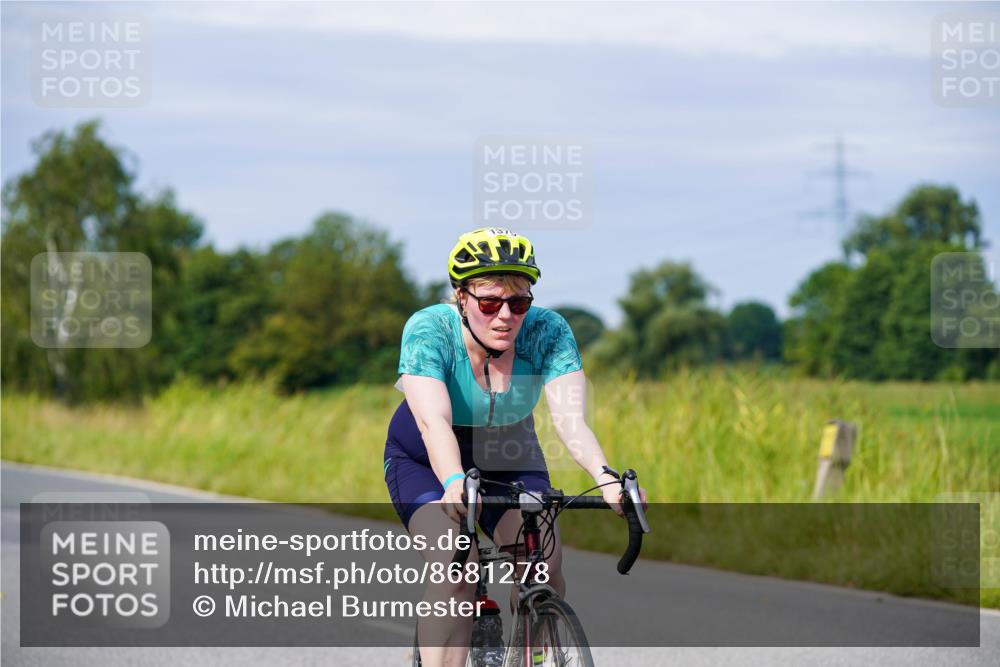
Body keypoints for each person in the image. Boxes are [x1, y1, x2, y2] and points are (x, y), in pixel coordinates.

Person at [383, 227, 646, 667]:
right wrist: (453, 480)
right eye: (490, 303)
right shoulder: (429, 329)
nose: (505, 316)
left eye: (519, 303)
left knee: (544, 565)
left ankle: (533, 655)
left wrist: (606, 479)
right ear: (461, 297)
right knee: (456, 568)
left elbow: (571, 420)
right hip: (426, 459)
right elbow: (433, 422)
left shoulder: (548, 331)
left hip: (509, 453)